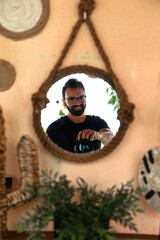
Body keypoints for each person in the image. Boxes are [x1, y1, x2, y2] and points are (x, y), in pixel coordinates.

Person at [46, 78, 114, 153]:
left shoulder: (97, 122)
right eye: (71, 99)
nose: (78, 103)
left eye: (81, 98)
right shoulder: (53, 129)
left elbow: (112, 141)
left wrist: (99, 135)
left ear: (85, 97)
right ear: (64, 102)